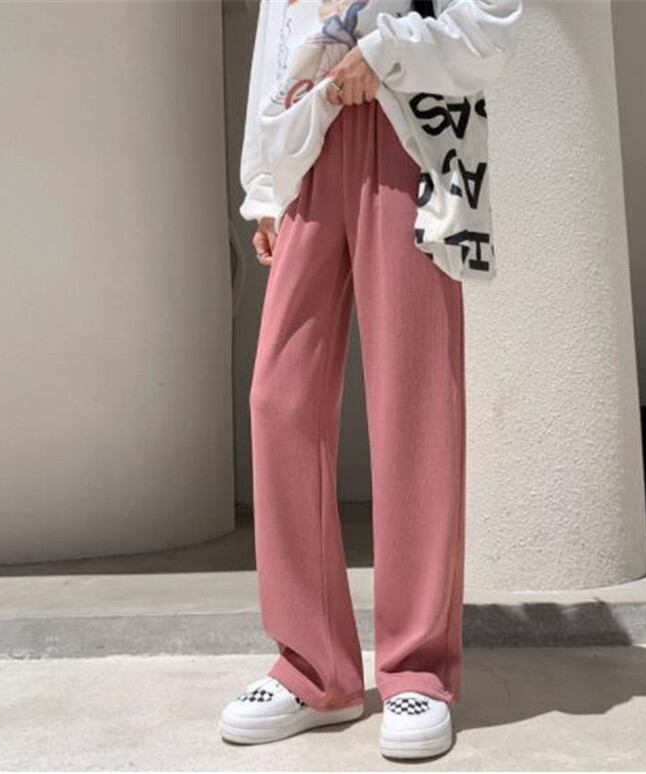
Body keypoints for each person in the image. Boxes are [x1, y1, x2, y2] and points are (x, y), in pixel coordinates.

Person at [219, 0, 523, 760]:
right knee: (280, 399)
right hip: (310, 141)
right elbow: (277, 44)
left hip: (403, 133)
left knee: (414, 401)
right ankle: (313, 669)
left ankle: (417, 668)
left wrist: (386, 51)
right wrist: (266, 186)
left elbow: (493, 23)